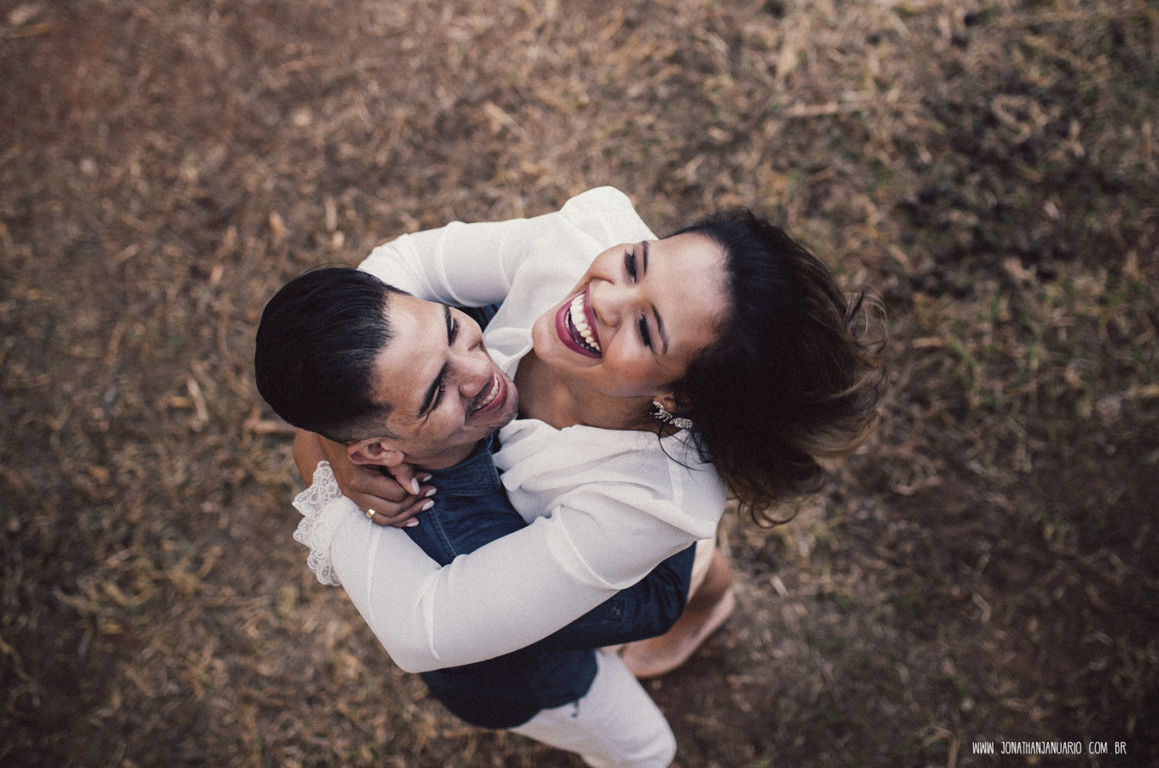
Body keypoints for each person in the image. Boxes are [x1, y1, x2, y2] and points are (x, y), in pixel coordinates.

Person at [290, 187, 885, 763]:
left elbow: (425, 629)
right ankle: (708, 593)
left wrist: (323, 461)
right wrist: (345, 439)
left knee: (661, 590)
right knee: (678, 559)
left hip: (615, 533)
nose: (604, 299)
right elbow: (397, 268)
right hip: (592, 537)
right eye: (636, 263)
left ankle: (704, 606)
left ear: (677, 398)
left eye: (647, 329)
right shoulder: (586, 233)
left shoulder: (650, 500)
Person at [256, 268, 696, 766]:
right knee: (646, 748)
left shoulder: (417, 350)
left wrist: (322, 443)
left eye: (450, 331)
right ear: (377, 449)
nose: (478, 373)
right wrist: (685, 451)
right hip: (536, 675)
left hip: (576, 607)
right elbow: (653, 603)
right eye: (434, 394)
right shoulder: (464, 537)